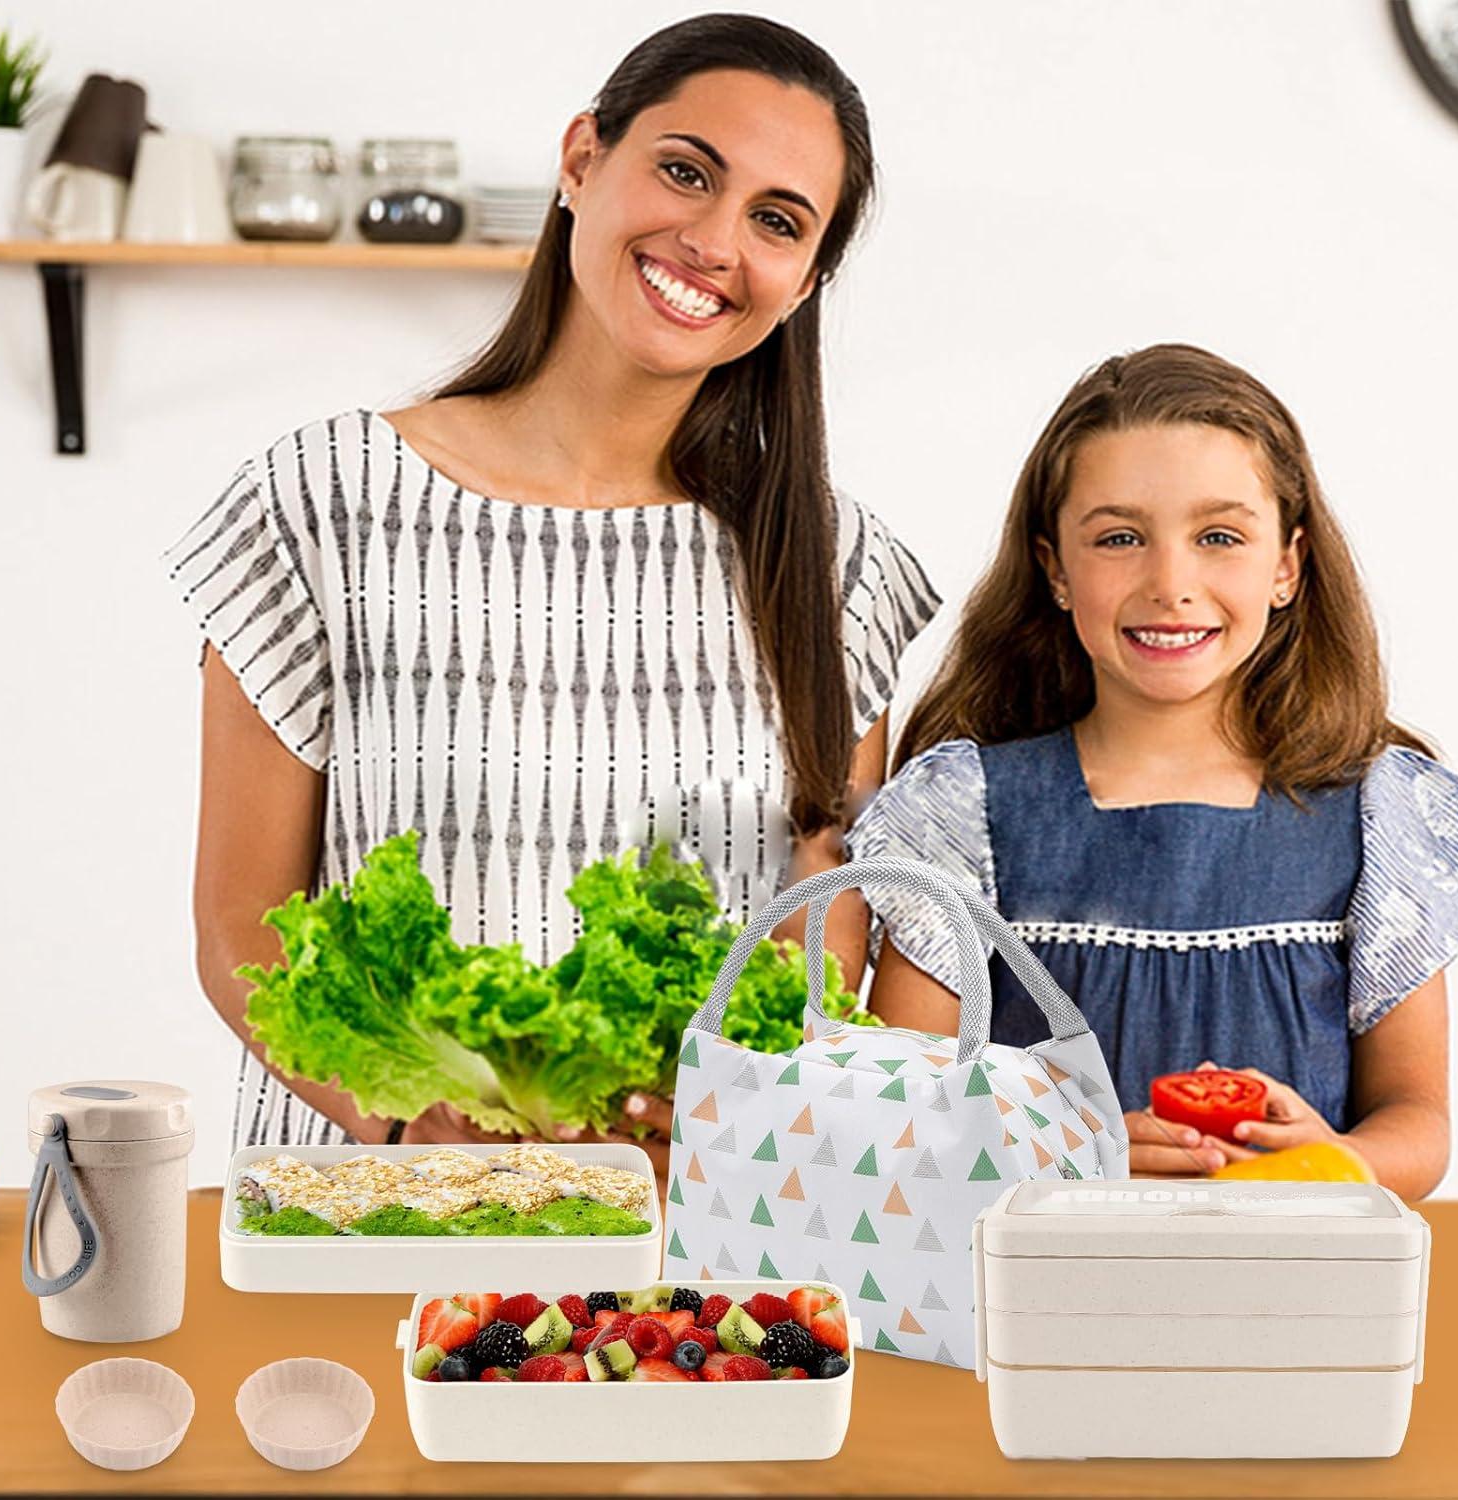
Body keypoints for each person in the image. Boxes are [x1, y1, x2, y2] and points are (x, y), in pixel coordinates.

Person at [163, 15, 939, 1163]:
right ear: (582, 160)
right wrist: (400, 1111)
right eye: (685, 171)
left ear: (806, 276)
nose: (715, 241)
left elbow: (817, 940)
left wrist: (723, 1114)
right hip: (380, 1213)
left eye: (777, 221)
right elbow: (243, 926)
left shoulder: (831, 565)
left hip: (686, 1238)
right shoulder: (322, 499)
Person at [847, 343, 1458, 1199]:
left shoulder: (1378, 814)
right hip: (1037, 1310)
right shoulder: (960, 811)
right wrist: (1058, 1152)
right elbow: (901, 1115)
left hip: (1294, 1307)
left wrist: (1327, 1162)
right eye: (1119, 538)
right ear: (1056, 571)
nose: (1171, 582)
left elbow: (1419, 1123)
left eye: (1219, 535)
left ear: (1288, 566)